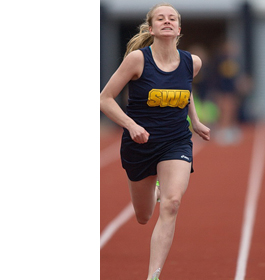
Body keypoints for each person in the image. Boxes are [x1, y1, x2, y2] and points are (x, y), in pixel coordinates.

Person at [99, 3, 210, 280]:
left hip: (176, 141)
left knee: (172, 203)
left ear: (179, 28)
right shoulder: (137, 60)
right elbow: (104, 99)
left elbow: (185, 89)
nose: (167, 21)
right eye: (160, 18)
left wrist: (194, 121)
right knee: (143, 216)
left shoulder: (192, 62)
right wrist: (131, 125)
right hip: (140, 144)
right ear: (152, 28)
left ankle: (153, 275)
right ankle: (155, 187)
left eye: (172, 18)